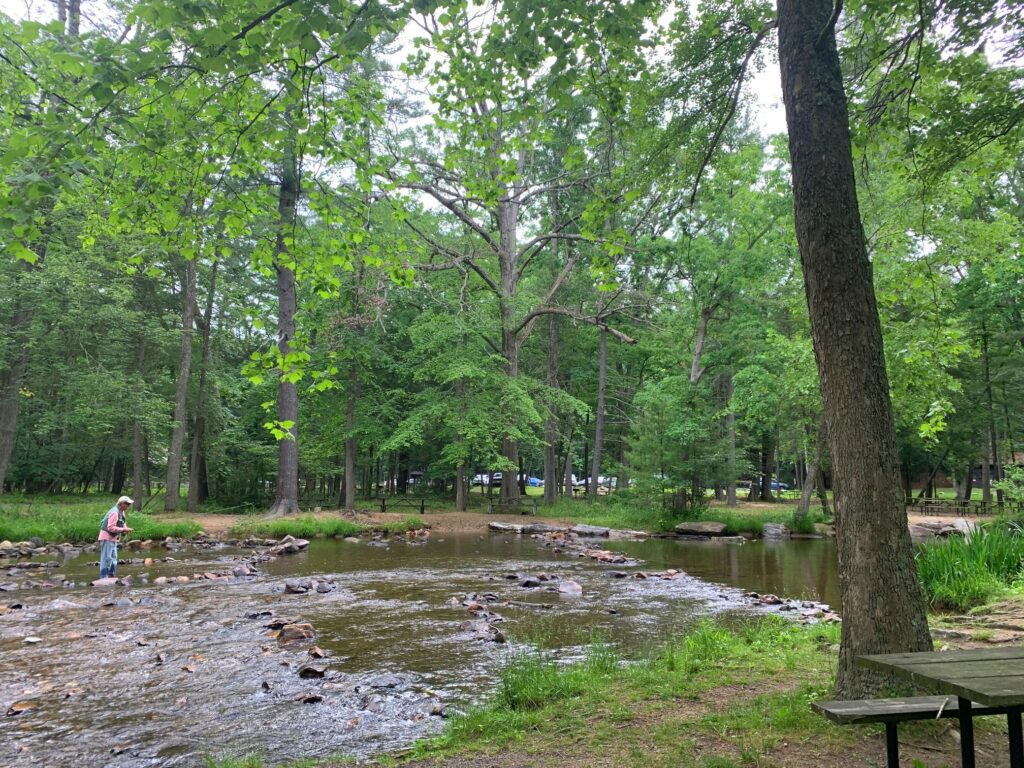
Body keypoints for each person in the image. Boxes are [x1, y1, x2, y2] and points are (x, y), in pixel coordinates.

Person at [98, 495, 134, 579]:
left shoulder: (121, 511)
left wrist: (125, 528)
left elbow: (122, 522)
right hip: (106, 537)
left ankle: (111, 576)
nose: (128, 506)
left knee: (114, 559)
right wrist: (123, 529)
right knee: (107, 558)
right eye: (127, 504)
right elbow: (110, 527)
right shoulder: (114, 512)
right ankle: (104, 577)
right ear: (121, 504)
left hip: (113, 538)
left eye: (129, 504)